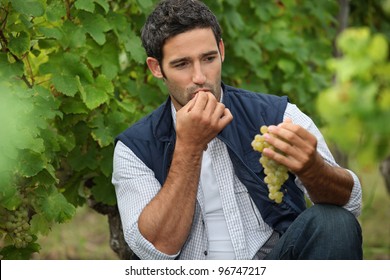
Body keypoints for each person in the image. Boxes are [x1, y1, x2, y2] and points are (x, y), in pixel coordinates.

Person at [112, 0, 362, 260]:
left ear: (221, 51)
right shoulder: (133, 148)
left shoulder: (277, 115)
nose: (200, 77)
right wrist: (189, 147)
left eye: (208, 58)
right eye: (182, 64)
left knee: (334, 221)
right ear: (156, 68)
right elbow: (156, 251)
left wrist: (313, 169)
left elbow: (350, 204)